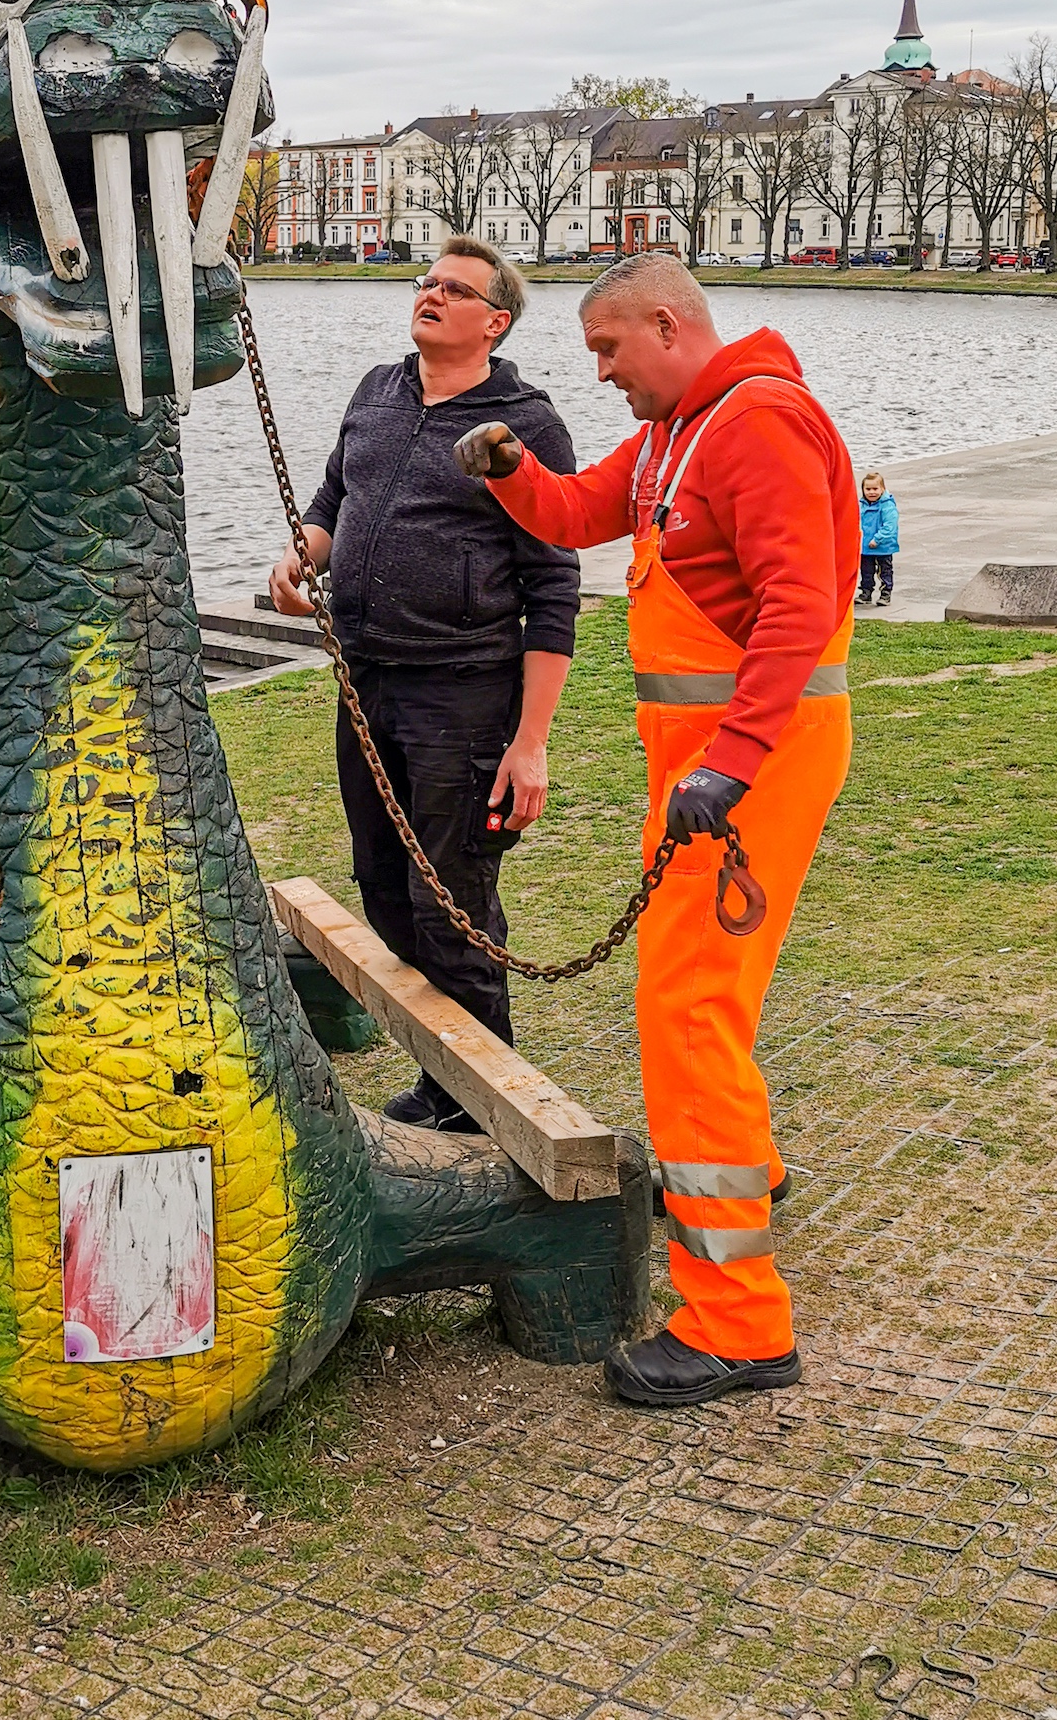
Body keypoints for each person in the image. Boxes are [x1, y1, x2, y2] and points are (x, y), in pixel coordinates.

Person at [454, 253, 857, 1408]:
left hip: (749, 764)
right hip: (713, 765)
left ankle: (737, 1322)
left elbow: (800, 600)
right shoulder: (686, 427)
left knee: (685, 1008)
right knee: (704, 989)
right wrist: (513, 469)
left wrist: (733, 759)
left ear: (669, 327)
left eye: (608, 351)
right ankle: (746, 1177)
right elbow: (582, 512)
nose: (602, 374)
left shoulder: (755, 424)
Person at [267, 237, 580, 1129]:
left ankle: (483, 1109)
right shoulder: (378, 388)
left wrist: (530, 743)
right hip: (366, 681)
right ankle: (447, 1081)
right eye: (426, 282)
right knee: (381, 883)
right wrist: (303, 553)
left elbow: (553, 583)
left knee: (453, 901)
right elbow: (334, 498)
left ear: (496, 320)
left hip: (464, 695)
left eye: (454, 289)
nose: (430, 295)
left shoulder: (524, 425)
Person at [857, 470, 898, 607]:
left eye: (875, 489)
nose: (871, 492)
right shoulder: (861, 505)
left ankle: (885, 593)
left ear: (882, 489)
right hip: (865, 547)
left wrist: (877, 539)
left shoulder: (887, 506)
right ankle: (866, 592)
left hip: (883, 547)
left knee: (885, 570)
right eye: (868, 489)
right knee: (866, 571)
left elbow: (890, 526)